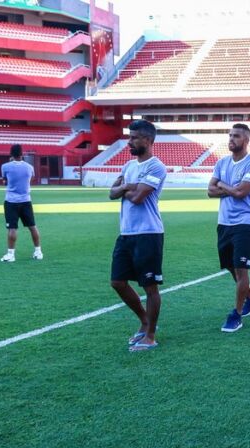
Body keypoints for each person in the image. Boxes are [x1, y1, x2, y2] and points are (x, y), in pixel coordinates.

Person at [109, 120, 167, 352]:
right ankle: (144, 321)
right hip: (126, 233)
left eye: (134, 138)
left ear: (148, 141)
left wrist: (126, 188)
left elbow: (138, 197)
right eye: (129, 137)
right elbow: (112, 193)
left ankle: (150, 336)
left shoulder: (156, 167)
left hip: (149, 234)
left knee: (150, 287)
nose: (129, 142)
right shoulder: (128, 166)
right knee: (117, 282)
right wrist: (127, 187)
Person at [208, 123, 250, 332]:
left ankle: (237, 314)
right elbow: (209, 191)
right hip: (224, 222)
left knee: (241, 269)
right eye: (230, 135)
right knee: (231, 267)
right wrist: (228, 187)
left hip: (245, 222)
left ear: (246, 140)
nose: (231, 139)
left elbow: (241, 193)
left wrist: (222, 185)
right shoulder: (222, 162)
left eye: (236, 136)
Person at [0, 144, 42, 262]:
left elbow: (5, 181)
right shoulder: (29, 167)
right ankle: (38, 252)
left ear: (11, 154)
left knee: (12, 228)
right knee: (32, 227)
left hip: (11, 201)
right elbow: (31, 179)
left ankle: (11, 254)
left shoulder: (5, 166)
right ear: (22, 154)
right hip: (26, 200)